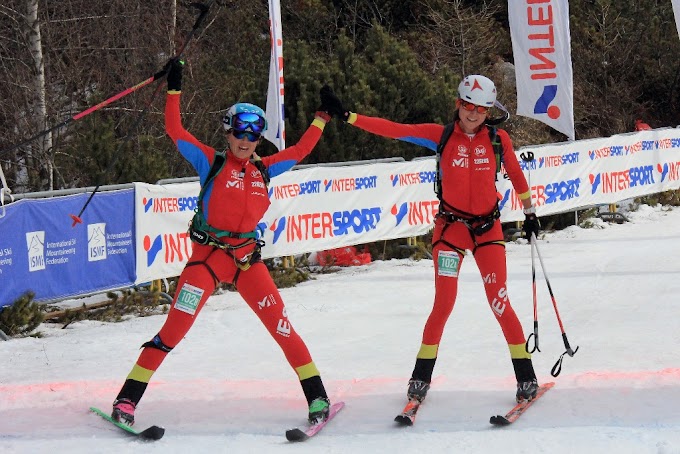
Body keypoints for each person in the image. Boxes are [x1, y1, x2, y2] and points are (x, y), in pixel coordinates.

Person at [111, 60, 334, 426]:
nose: (246, 141)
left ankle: (318, 399)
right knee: (173, 330)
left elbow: (299, 151)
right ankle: (126, 401)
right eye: (240, 133)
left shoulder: (264, 170)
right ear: (228, 134)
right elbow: (174, 129)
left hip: (247, 261)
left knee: (281, 326)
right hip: (209, 259)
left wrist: (322, 117)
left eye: (253, 135)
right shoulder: (211, 163)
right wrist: (174, 89)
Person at [319, 76, 542, 404]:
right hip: (451, 231)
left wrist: (530, 212)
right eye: (468, 106)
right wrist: (349, 116)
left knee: (499, 302)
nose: (474, 114)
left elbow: (517, 174)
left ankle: (526, 375)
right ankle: (420, 376)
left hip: (487, 231)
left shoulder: (498, 139)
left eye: (481, 109)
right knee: (443, 304)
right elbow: (394, 128)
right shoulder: (441, 136)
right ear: (458, 104)